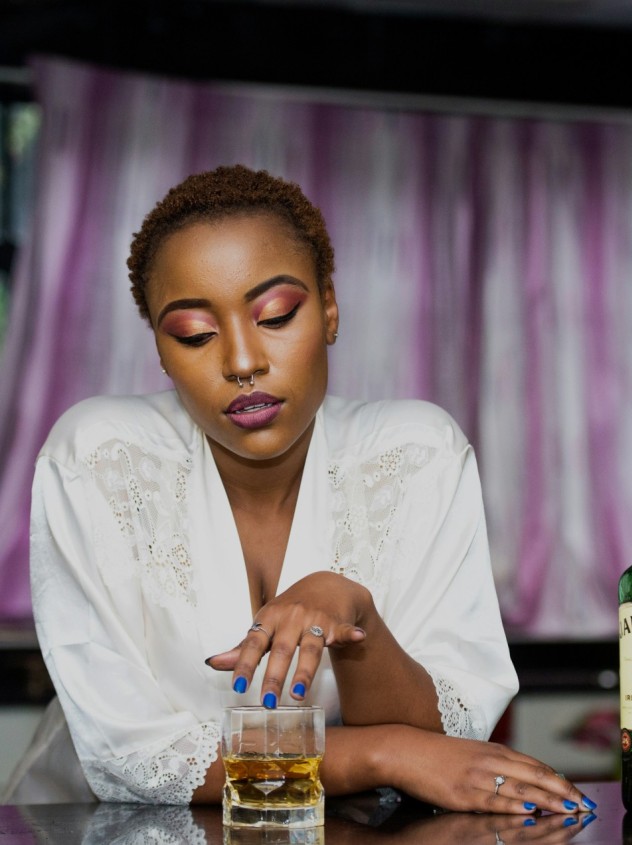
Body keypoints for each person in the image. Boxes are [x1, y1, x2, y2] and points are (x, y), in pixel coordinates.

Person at [6, 164, 597, 816]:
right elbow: (135, 757)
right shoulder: (98, 458)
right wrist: (376, 753)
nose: (240, 361)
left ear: (331, 308)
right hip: (96, 827)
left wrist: (358, 619)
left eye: (276, 315)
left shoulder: (417, 455)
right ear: (162, 351)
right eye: (195, 334)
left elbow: (443, 745)